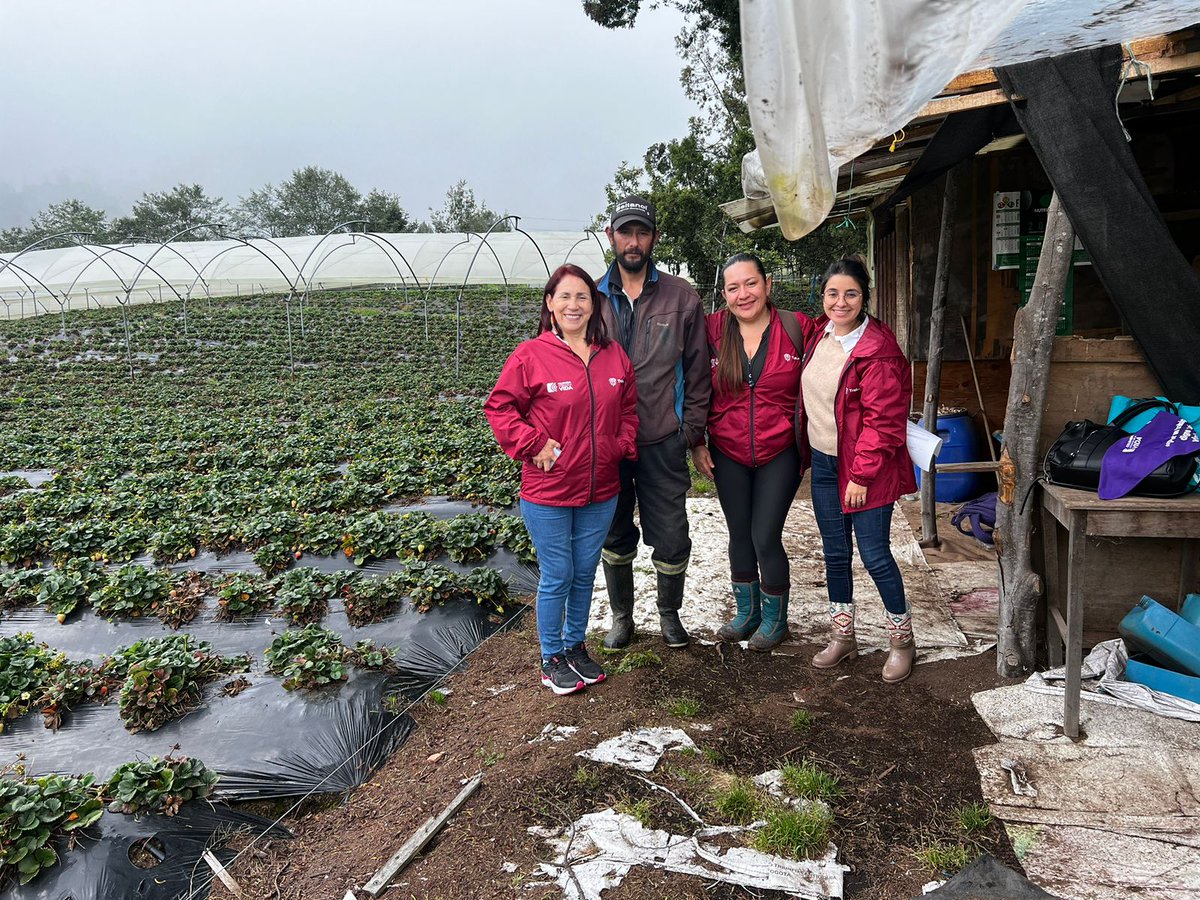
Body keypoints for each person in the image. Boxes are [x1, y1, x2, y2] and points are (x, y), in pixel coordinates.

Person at [485, 264, 638, 695]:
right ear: (550, 304)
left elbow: (629, 410)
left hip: (601, 489)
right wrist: (533, 443)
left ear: (594, 305)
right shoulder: (530, 355)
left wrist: (619, 445)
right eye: (565, 297)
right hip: (549, 491)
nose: (574, 305)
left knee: (585, 571)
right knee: (559, 573)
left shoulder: (613, 356)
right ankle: (550, 657)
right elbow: (500, 409)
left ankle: (574, 647)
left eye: (583, 297)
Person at [595, 196, 711, 650]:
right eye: (626, 232)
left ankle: (669, 615)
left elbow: (700, 371)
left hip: (662, 438)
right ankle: (622, 617)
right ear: (612, 237)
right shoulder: (592, 296)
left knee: (671, 532)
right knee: (614, 529)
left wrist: (689, 432)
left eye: (642, 232)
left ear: (653, 239)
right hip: (607, 441)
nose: (633, 241)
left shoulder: (681, 297)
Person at [798, 255, 918, 683]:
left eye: (850, 293)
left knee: (874, 555)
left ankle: (902, 641)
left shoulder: (878, 352)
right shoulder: (821, 335)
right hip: (826, 464)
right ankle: (843, 635)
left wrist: (861, 476)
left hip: (866, 470)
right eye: (833, 293)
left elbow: (883, 424)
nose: (840, 301)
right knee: (834, 553)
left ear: (864, 297)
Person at [692, 253, 803, 651]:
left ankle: (776, 619)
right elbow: (692, 385)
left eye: (751, 283)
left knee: (764, 534)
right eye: (734, 287)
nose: (744, 294)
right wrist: (696, 441)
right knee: (739, 532)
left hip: (780, 451)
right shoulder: (712, 330)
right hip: (728, 450)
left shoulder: (796, 328)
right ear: (724, 294)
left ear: (767, 284)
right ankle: (747, 612)